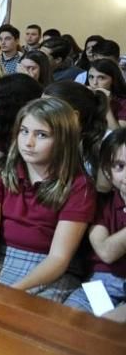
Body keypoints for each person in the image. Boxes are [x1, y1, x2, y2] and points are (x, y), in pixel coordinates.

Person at [0, 97, 95, 302]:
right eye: (24, 131)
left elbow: (58, 258)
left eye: (41, 135)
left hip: (45, 269)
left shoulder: (78, 185)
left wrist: (12, 291)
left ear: (63, 139)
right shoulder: (0, 172)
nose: (28, 142)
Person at [64, 130, 126, 316]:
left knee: (113, 331)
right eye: (120, 166)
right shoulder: (102, 203)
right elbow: (106, 252)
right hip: (101, 283)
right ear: (107, 170)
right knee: (69, 318)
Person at [87, 58, 126, 126]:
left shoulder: (122, 103)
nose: (94, 82)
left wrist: (107, 105)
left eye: (101, 78)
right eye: (91, 77)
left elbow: (118, 133)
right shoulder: (86, 96)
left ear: (113, 80)